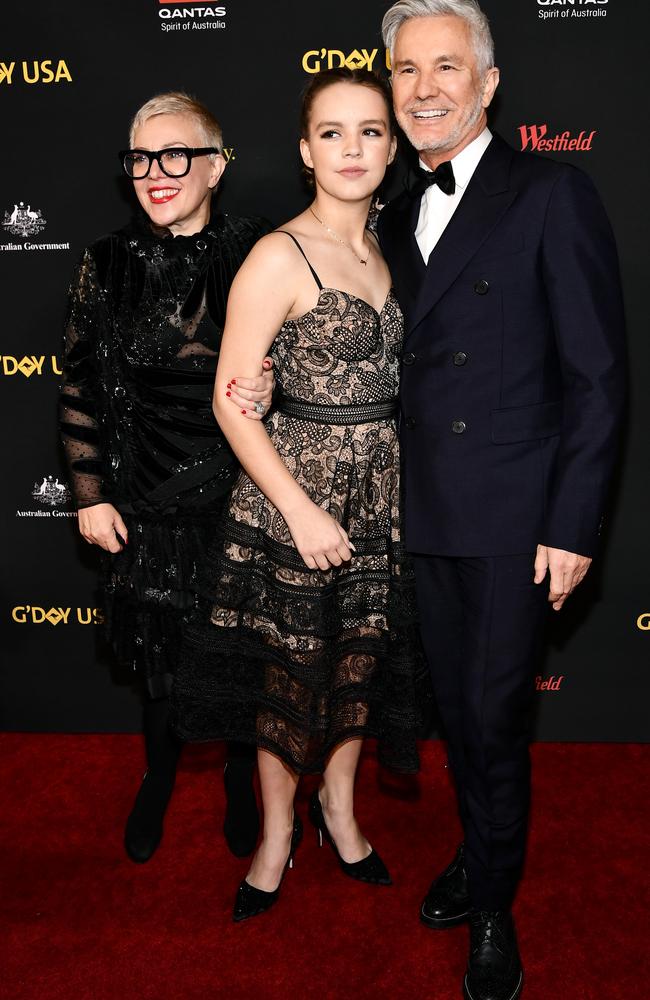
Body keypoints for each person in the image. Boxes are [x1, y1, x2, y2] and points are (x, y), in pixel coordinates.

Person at [377, 3, 627, 999]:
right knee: (452, 711)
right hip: (412, 516)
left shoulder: (549, 192)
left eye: (447, 67)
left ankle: (492, 906)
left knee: (488, 721)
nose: (424, 87)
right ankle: (476, 855)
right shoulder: (388, 214)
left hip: (509, 517)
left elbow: (597, 377)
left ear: (486, 84)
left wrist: (571, 524)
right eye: (406, 69)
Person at [172, 67, 428, 922]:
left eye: (370, 132)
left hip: (380, 493)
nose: (352, 149)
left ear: (392, 149)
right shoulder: (277, 254)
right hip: (295, 497)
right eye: (333, 132)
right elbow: (230, 400)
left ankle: (340, 810)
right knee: (286, 677)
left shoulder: (396, 245)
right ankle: (277, 831)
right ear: (306, 151)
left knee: (356, 665)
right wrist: (301, 509)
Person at [60, 92, 276, 865]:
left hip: (239, 492)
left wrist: (272, 383)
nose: (157, 173)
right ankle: (158, 775)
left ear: (216, 165)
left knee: (241, 656)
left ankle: (241, 778)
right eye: (142, 158)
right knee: (158, 661)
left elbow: (289, 367)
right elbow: (80, 385)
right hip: (145, 494)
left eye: (177, 154)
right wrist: (90, 496)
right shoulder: (106, 261)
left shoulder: (257, 249)